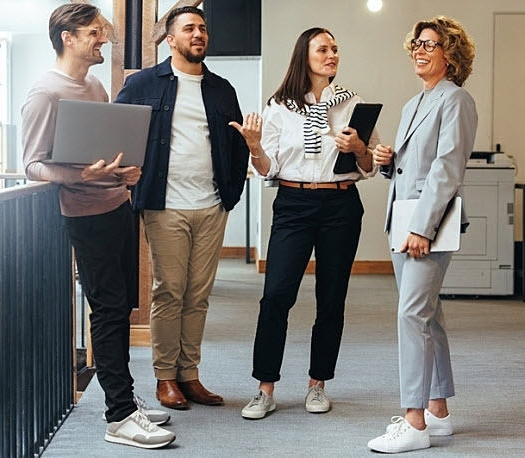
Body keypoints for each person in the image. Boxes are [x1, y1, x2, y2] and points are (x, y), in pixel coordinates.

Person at [20, 3, 174, 449]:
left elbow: (105, 150)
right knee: (107, 311)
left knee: (118, 309)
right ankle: (119, 416)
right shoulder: (45, 93)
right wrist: (81, 176)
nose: (102, 39)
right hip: (85, 215)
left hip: (117, 205)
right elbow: (32, 165)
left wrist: (124, 173)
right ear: (67, 38)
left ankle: (125, 401)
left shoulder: (94, 86)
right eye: (93, 32)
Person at [230, 27, 379, 420]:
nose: (332, 55)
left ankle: (318, 384)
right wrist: (254, 147)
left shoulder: (354, 105)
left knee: (331, 297)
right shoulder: (279, 107)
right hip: (293, 204)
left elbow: (369, 167)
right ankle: (264, 389)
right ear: (304, 56)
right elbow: (269, 169)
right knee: (276, 296)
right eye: (323, 49)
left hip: (340, 205)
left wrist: (359, 148)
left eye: (335, 49)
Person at [114, 6, 250, 410]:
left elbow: (238, 144)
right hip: (165, 205)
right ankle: (165, 378)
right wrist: (128, 179)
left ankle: (190, 375)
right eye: (189, 28)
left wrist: (229, 195)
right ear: (170, 40)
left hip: (211, 206)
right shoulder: (142, 84)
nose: (198, 34)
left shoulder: (222, 89)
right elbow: (116, 133)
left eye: (202, 28)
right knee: (169, 291)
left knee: (198, 295)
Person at [367, 16, 477, 454]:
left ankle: (414, 421)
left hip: (425, 225)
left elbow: (447, 169)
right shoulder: (415, 103)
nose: (419, 49)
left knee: (411, 315)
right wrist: (387, 161)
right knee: (428, 315)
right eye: (416, 43)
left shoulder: (457, 100)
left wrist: (421, 228)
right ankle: (438, 412)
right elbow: (411, 169)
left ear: (451, 54)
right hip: (403, 219)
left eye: (430, 44)